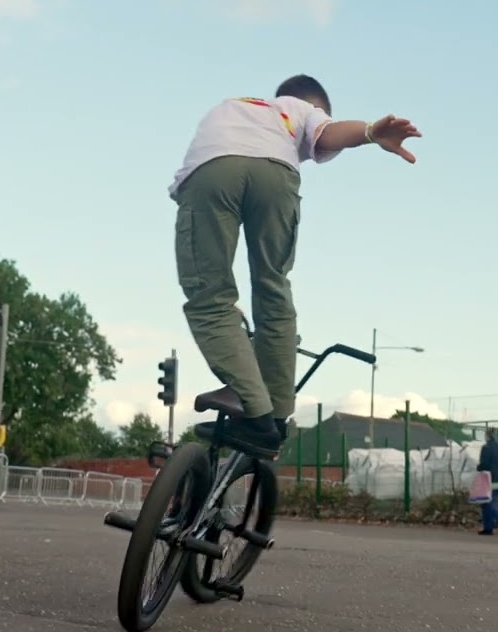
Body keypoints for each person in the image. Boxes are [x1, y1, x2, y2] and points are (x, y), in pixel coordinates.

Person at [169, 75, 421, 459]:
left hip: (212, 170)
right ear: (315, 106)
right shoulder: (300, 110)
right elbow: (329, 133)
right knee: (272, 287)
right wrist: (370, 132)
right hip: (275, 174)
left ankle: (252, 403)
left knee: (211, 298)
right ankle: (271, 416)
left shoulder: (234, 106)